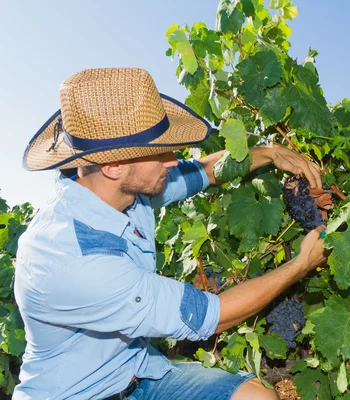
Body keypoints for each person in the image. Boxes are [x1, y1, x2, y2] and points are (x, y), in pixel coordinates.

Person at [14, 67, 328, 400]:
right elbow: (214, 316)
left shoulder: (127, 190)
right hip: (79, 395)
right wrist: (302, 263)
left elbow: (205, 172)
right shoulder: (73, 259)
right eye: (160, 150)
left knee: (257, 397)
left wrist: (270, 153)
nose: (173, 160)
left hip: (138, 376)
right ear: (114, 166)